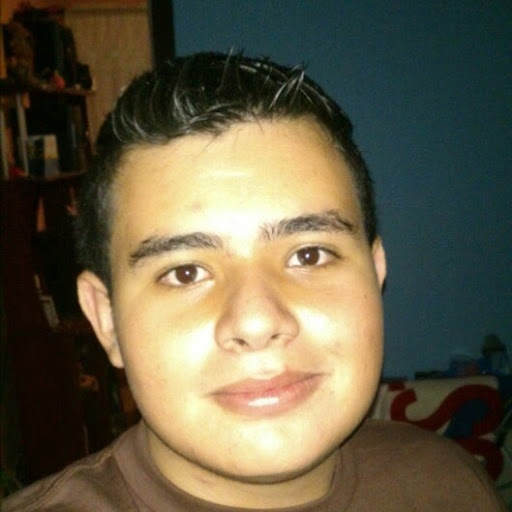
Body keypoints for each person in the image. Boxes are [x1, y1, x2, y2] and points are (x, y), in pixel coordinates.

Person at [2, 52, 505, 511]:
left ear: (376, 275)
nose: (258, 321)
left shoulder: (450, 485)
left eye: (308, 255)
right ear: (106, 319)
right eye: (185, 272)